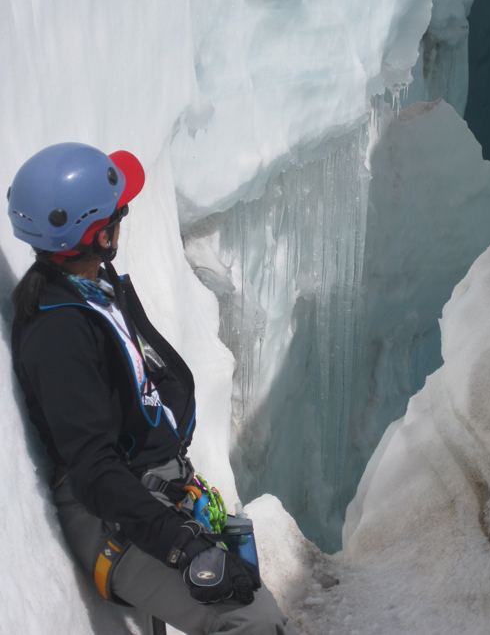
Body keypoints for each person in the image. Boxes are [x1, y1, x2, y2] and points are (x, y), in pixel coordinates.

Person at [8, 142, 297, 634]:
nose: (123, 218)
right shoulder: (59, 335)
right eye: (117, 213)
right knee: (254, 618)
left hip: (146, 493)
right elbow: (95, 472)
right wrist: (182, 545)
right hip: (110, 515)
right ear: (98, 234)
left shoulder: (92, 289)